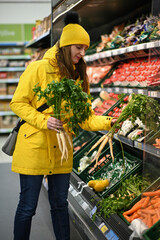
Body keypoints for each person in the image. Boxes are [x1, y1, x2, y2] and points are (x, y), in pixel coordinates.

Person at [10, 11, 117, 240]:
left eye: (85, 48)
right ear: (66, 45)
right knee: (27, 207)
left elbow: (85, 118)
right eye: (79, 47)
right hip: (34, 148)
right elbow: (17, 103)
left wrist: (110, 122)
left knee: (60, 205)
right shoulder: (38, 69)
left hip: (62, 151)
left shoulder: (78, 77)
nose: (82, 53)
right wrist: (44, 120)